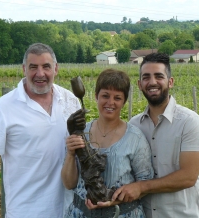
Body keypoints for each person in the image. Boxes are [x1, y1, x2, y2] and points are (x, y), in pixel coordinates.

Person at [0, 43, 81, 218]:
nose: (40, 74)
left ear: (56, 69)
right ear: (24, 69)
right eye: (33, 67)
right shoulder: (3, 108)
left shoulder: (70, 100)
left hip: (69, 210)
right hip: (25, 211)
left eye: (46, 67)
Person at [111, 53, 199, 218]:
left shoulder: (190, 122)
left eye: (159, 76)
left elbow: (188, 177)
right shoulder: (134, 125)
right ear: (140, 84)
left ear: (170, 82)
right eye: (146, 77)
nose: (152, 82)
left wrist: (142, 187)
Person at [61, 68, 154, 218]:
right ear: (96, 96)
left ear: (124, 101)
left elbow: (144, 184)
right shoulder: (80, 132)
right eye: (105, 95)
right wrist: (71, 153)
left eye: (117, 98)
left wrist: (114, 200)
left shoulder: (135, 138)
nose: (110, 102)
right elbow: (69, 184)